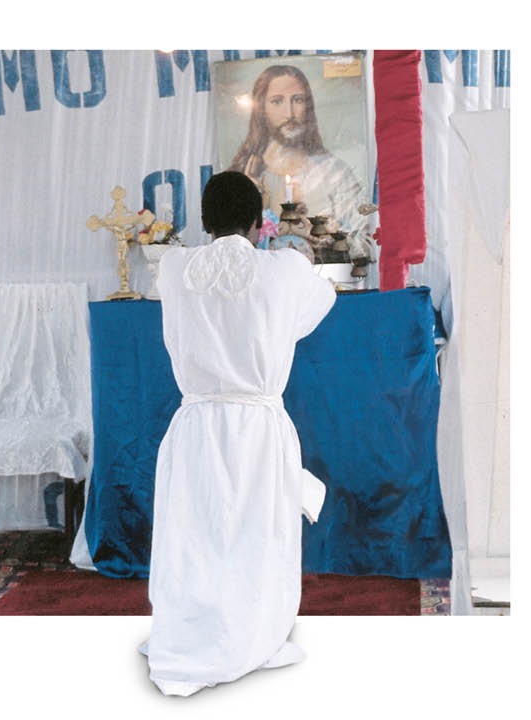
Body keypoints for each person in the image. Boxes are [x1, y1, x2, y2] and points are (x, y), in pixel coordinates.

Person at [139, 171, 333, 696]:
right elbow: (317, 304)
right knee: (255, 534)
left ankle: (192, 631)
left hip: (197, 424)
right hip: (257, 428)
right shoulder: (285, 269)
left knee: (195, 533)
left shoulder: (174, 267)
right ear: (257, 221)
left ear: (205, 220)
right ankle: (251, 633)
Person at [226, 64, 367, 252]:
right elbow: (229, 245)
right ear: (261, 110)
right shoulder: (245, 174)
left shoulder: (334, 173)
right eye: (277, 101)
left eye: (298, 100)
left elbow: (362, 239)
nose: (290, 113)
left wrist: (330, 238)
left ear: (308, 106)